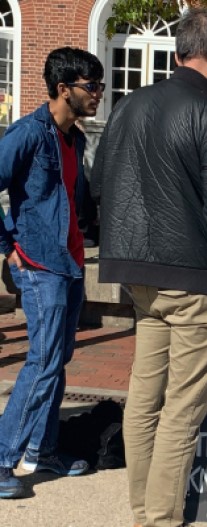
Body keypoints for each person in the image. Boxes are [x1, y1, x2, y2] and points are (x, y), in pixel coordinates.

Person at [91, 9, 207, 527]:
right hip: (195, 276)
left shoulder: (129, 104)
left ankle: (144, 513)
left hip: (137, 270)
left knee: (143, 399)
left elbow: (96, 183)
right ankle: (158, 519)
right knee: (181, 411)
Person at [0, 47, 104, 500]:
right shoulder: (27, 134)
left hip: (71, 265)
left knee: (57, 362)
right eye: (91, 86)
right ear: (64, 89)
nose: (99, 94)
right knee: (42, 362)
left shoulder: (75, 138)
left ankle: (42, 450)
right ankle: (4, 457)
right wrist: (7, 247)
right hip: (40, 266)